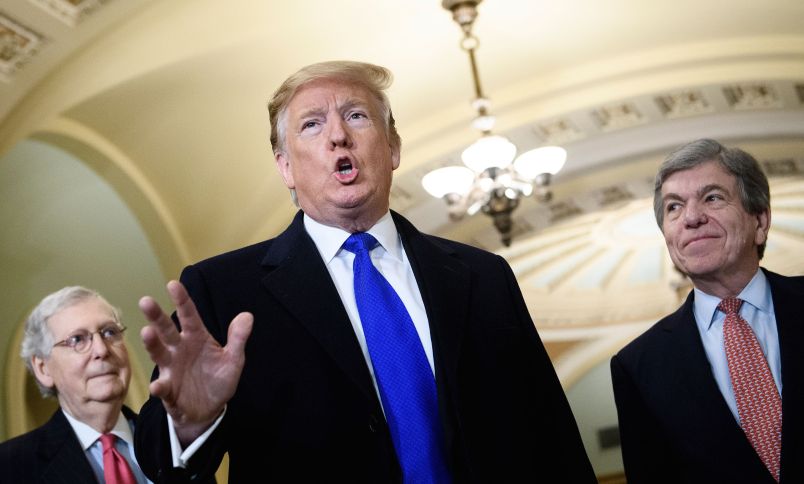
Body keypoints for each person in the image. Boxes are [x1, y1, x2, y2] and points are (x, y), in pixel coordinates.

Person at [134, 60, 595, 483]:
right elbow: (158, 461)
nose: (338, 136)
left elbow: (551, 432)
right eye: (312, 125)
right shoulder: (223, 291)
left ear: (392, 147)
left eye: (356, 116)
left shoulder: (484, 276)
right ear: (286, 167)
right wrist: (190, 423)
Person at [611, 138, 804, 483]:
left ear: (759, 221)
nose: (692, 218)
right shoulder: (638, 366)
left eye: (712, 197)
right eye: (673, 207)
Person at [0, 286, 152, 484]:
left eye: (109, 332)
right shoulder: (10, 466)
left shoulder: (171, 440)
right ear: (43, 368)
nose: (101, 350)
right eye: (77, 339)